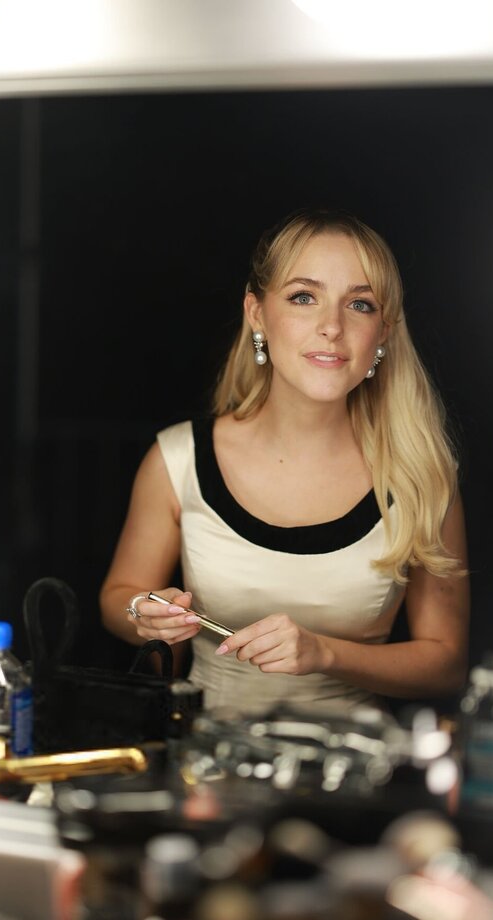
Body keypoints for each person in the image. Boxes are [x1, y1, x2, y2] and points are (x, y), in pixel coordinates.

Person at [99, 208, 469, 716]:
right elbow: (118, 597)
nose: (332, 327)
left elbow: (445, 663)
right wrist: (142, 613)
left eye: (359, 304)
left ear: (383, 331)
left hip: (355, 761)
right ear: (257, 314)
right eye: (303, 297)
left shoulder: (421, 477)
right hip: (206, 756)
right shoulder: (179, 459)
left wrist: (324, 653)